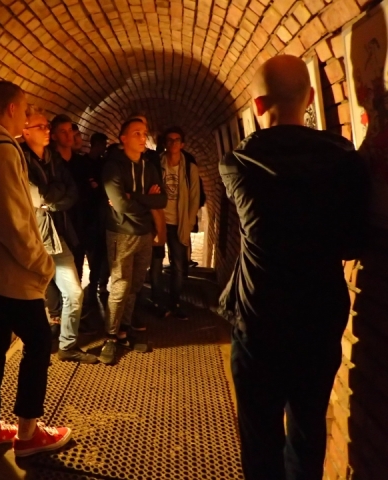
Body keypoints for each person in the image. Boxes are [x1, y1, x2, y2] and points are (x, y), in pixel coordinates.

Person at [219, 55, 368, 480]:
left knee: (260, 438)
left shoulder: (237, 163)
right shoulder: (345, 160)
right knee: (307, 430)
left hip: (259, 317)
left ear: (257, 106)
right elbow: (352, 244)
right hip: (319, 317)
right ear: (311, 97)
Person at [0, 81, 71, 456]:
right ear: (11, 108)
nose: (26, 117)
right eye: (25, 110)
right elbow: (13, 221)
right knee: (39, 343)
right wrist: (41, 264)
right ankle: (27, 434)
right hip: (11, 272)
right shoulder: (3, 152)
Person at [21, 106, 97, 363]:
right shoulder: (20, 159)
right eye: (41, 127)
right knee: (34, 295)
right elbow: (37, 196)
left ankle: (67, 345)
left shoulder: (54, 158)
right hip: (32, 236)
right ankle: (37, 346)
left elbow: (71, 192)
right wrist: (53, 194)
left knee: (74, 292)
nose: (46, 131)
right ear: (25, 131)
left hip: (58, 232)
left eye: (47, 126)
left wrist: (51, 201)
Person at [100, 118, 167, 365]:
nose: (142, 138)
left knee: (135, 285)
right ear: (123, 138)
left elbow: (162, 200)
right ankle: (109, 336)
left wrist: (135, 197)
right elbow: (120, 204)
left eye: (144, 133)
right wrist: (145, 201)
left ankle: (123, 331)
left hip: (144, 234)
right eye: (136, 133)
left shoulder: (149, 166)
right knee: (120, 286)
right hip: (121, 233)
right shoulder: (113, 167)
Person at [150, 126, 200, 319]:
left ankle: (175, 302)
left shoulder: (189, 168)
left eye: (177, 140)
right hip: (159, 221)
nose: (173, 143)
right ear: (164, 143)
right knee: (156, 263)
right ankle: (157, 301)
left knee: (178, 265)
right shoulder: (157, 164)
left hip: (179, 223)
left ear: (182, 144)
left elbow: (194, 197)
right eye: (169, 140)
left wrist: (188, 222)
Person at [51, 114, 91, 281]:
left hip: (81, 222)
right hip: (60, 223)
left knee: (78, 265)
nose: (69, 136)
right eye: (63, 132)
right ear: (54, 136)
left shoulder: (81, 163)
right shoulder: (51, 163)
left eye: (70, 131)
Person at [83, 132, 111, 304]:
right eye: (103, 145)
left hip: (101, 215)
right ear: (96, 144)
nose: (104, 148)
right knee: (93, 253)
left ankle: (99, 285)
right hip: (89, 216)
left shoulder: (103, 163)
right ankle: (94, 286)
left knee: (101, 252)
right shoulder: (85, 163)